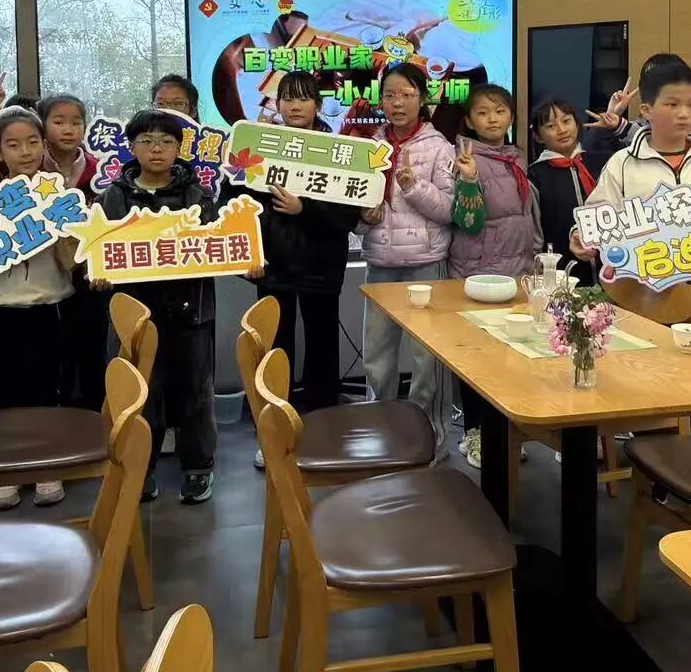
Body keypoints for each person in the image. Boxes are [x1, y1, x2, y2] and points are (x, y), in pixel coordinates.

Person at [573, 54, 691, 344]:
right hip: (641, 299)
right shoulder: (623, 164)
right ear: (647, 111)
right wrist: (581, 234)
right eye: (672, 104)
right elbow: (599, 216)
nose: (684, 114)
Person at [97, 108, 219, 504]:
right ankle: (140, 469)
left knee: (195, 391)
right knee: (140, 394)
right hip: (134, 314)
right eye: (147, 141)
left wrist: (245, 260)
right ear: (132, 147)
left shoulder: (198, 196)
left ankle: (198, 469)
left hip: (190, 310)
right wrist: (99, 272)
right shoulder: (113, 197)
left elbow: (219, 247)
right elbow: (98, 250)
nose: (156, 149)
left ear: (179, 149)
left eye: (166, 141)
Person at [232, 72, 359, 436]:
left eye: (303, 98)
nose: (294, 106)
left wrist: (305, 208)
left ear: (317, 105)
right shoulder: (259, 147)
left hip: (322, 265)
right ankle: (274, 426)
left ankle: (324, 425)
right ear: (278, 105)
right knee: (274, 345)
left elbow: (347, 217)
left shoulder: (338, 151)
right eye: (287, 98)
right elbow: (237, 206)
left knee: (322, 346)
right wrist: (248, 257)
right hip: (273, 265)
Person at [0, 107, 74, 510]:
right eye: (13, 145)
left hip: (48, 306)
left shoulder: (59, 194)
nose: (25, 152)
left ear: (44, 146)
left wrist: (64, 229)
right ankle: (7, 470)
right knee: (1, 389)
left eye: (32, 143)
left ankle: (47, 465)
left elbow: (73, 260)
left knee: (46, 388)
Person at [359, 61, 455, 451]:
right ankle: (379, 429)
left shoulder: (440, 147)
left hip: (425, 263)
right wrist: (362, 218)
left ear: (423, 98)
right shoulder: (369, 147)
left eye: (407, 94)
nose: (397, 103)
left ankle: (426, 434)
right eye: (389, 95)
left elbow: (449, 210)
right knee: (376, 355)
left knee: (426, 358)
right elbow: (354, 205)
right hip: (380, 263)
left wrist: (414, 188)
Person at [450, 83, 541, 469]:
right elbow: (467, 221)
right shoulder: (465, 157)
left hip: (517, 271)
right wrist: (469, 180)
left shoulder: (515, 157)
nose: (492, 119)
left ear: (511, 116)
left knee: (511, 356)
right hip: (480, 272)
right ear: (469, 121)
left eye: (500, 111)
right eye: (483, 113)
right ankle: (475, 433)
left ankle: (505, 432)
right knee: (476, 359)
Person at [40, 93, 108, 410]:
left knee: (92, 345)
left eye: (76, 122)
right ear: (42, 126)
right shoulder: (33, 168)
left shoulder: (100, 170)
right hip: (46, 272)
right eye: (59, 122)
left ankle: (95, 413)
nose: (68, 129)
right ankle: (60, 413)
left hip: (89, 272)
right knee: (56, 349)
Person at [527, 96, 596, 285]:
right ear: (538, 136)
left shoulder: (597, 163)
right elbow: (535, 230)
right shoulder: (536, 174)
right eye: (550, 126)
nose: (562, 130)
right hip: (561, 271)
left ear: (577, 124)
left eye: (566, 121)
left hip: (606, 268)